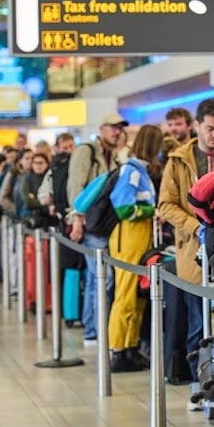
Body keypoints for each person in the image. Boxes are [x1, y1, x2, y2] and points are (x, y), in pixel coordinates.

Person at [156, 97, 214, 410]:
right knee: (197, 323)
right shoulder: (178, 161)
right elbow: (165, 205)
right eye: (210, 129)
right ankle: (198, 383)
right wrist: (196, 226)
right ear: (197, 126)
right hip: (192, 252)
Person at [106, 125, 164, 372]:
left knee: (137, 296)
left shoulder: (141, 170)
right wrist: (153, 211)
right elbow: (123, 208)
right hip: (128, 237)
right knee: (125, 295)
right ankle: (118, 350)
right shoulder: (131, 171)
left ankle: (130, 347)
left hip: (140, 237)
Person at [68, 113, 127, 345]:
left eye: (119, 128)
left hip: (103, 223)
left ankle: (92, 328)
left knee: (96, 278)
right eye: (113, 127)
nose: (116, 132)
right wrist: (77, 220)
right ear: (101, 128)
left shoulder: (112, 156)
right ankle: (94, 330)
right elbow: (76, 187)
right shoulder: (86, 152)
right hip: (89, 223)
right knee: (103, 278)